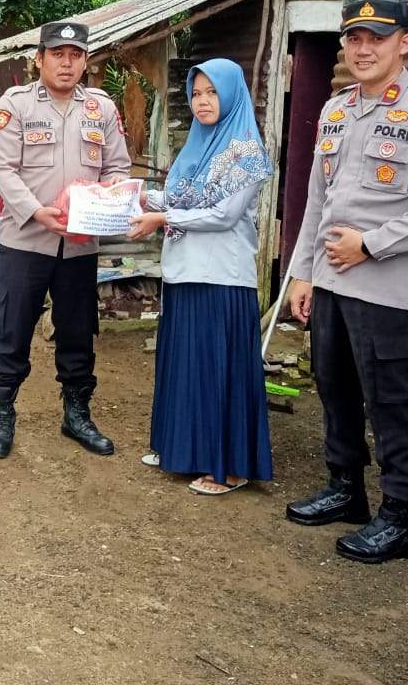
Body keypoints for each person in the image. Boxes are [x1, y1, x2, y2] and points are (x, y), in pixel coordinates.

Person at [286, 0, 408, 564]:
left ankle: (398, 517)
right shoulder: (337, 109)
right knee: (334, 388)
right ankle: (347, 489)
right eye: (354, 39)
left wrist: (372, 243)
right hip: (332, 286)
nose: (363, 49)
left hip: (387, 290)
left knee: (393, 401)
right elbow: (318, 200)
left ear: (404, 44)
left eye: (377, 38)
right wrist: (301, 274)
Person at [0, 21, 132, 459]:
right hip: (26, 241)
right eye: (58, 54)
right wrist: (36, 212)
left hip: (80, 245)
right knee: (12, 331)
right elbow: (1, 168)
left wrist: (108, 199)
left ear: (85, 60)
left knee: (77, 332)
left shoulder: (100, 108)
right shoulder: (17, 104)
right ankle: (2, 415)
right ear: (40, 59)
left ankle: (77, 414)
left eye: (75, 55)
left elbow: (116, 168)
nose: (67, 63)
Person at [127, 58, 274, 495]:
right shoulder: (197, 146)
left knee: (217, 371)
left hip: (222, 277)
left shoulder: (246, 151)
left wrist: (160, 217)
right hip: (186, 270)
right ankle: (181, 449)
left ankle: (229, 466)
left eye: (212, 92)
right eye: (196, 93)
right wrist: (137, 195)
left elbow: (223, 214)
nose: (202, 102)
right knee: (186, 366)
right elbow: (181, 197)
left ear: (231, 94)